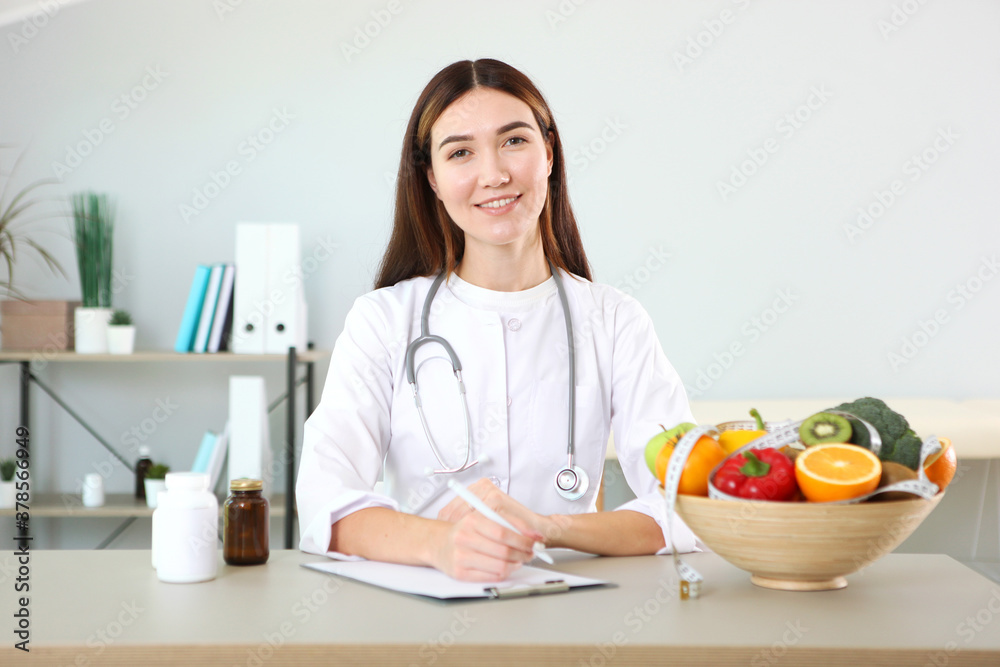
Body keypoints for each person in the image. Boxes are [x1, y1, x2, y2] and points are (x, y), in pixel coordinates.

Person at [296, 58, 697, 582]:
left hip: (568, 609)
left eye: (514, 141)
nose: (494, 174)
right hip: (424, 611)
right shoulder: (384, 321)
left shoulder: (615, 320)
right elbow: (325, 502)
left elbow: (687, 507)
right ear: (433, 180)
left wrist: (545, 527)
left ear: (548, 153)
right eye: (461, 152)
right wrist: (442, 545)